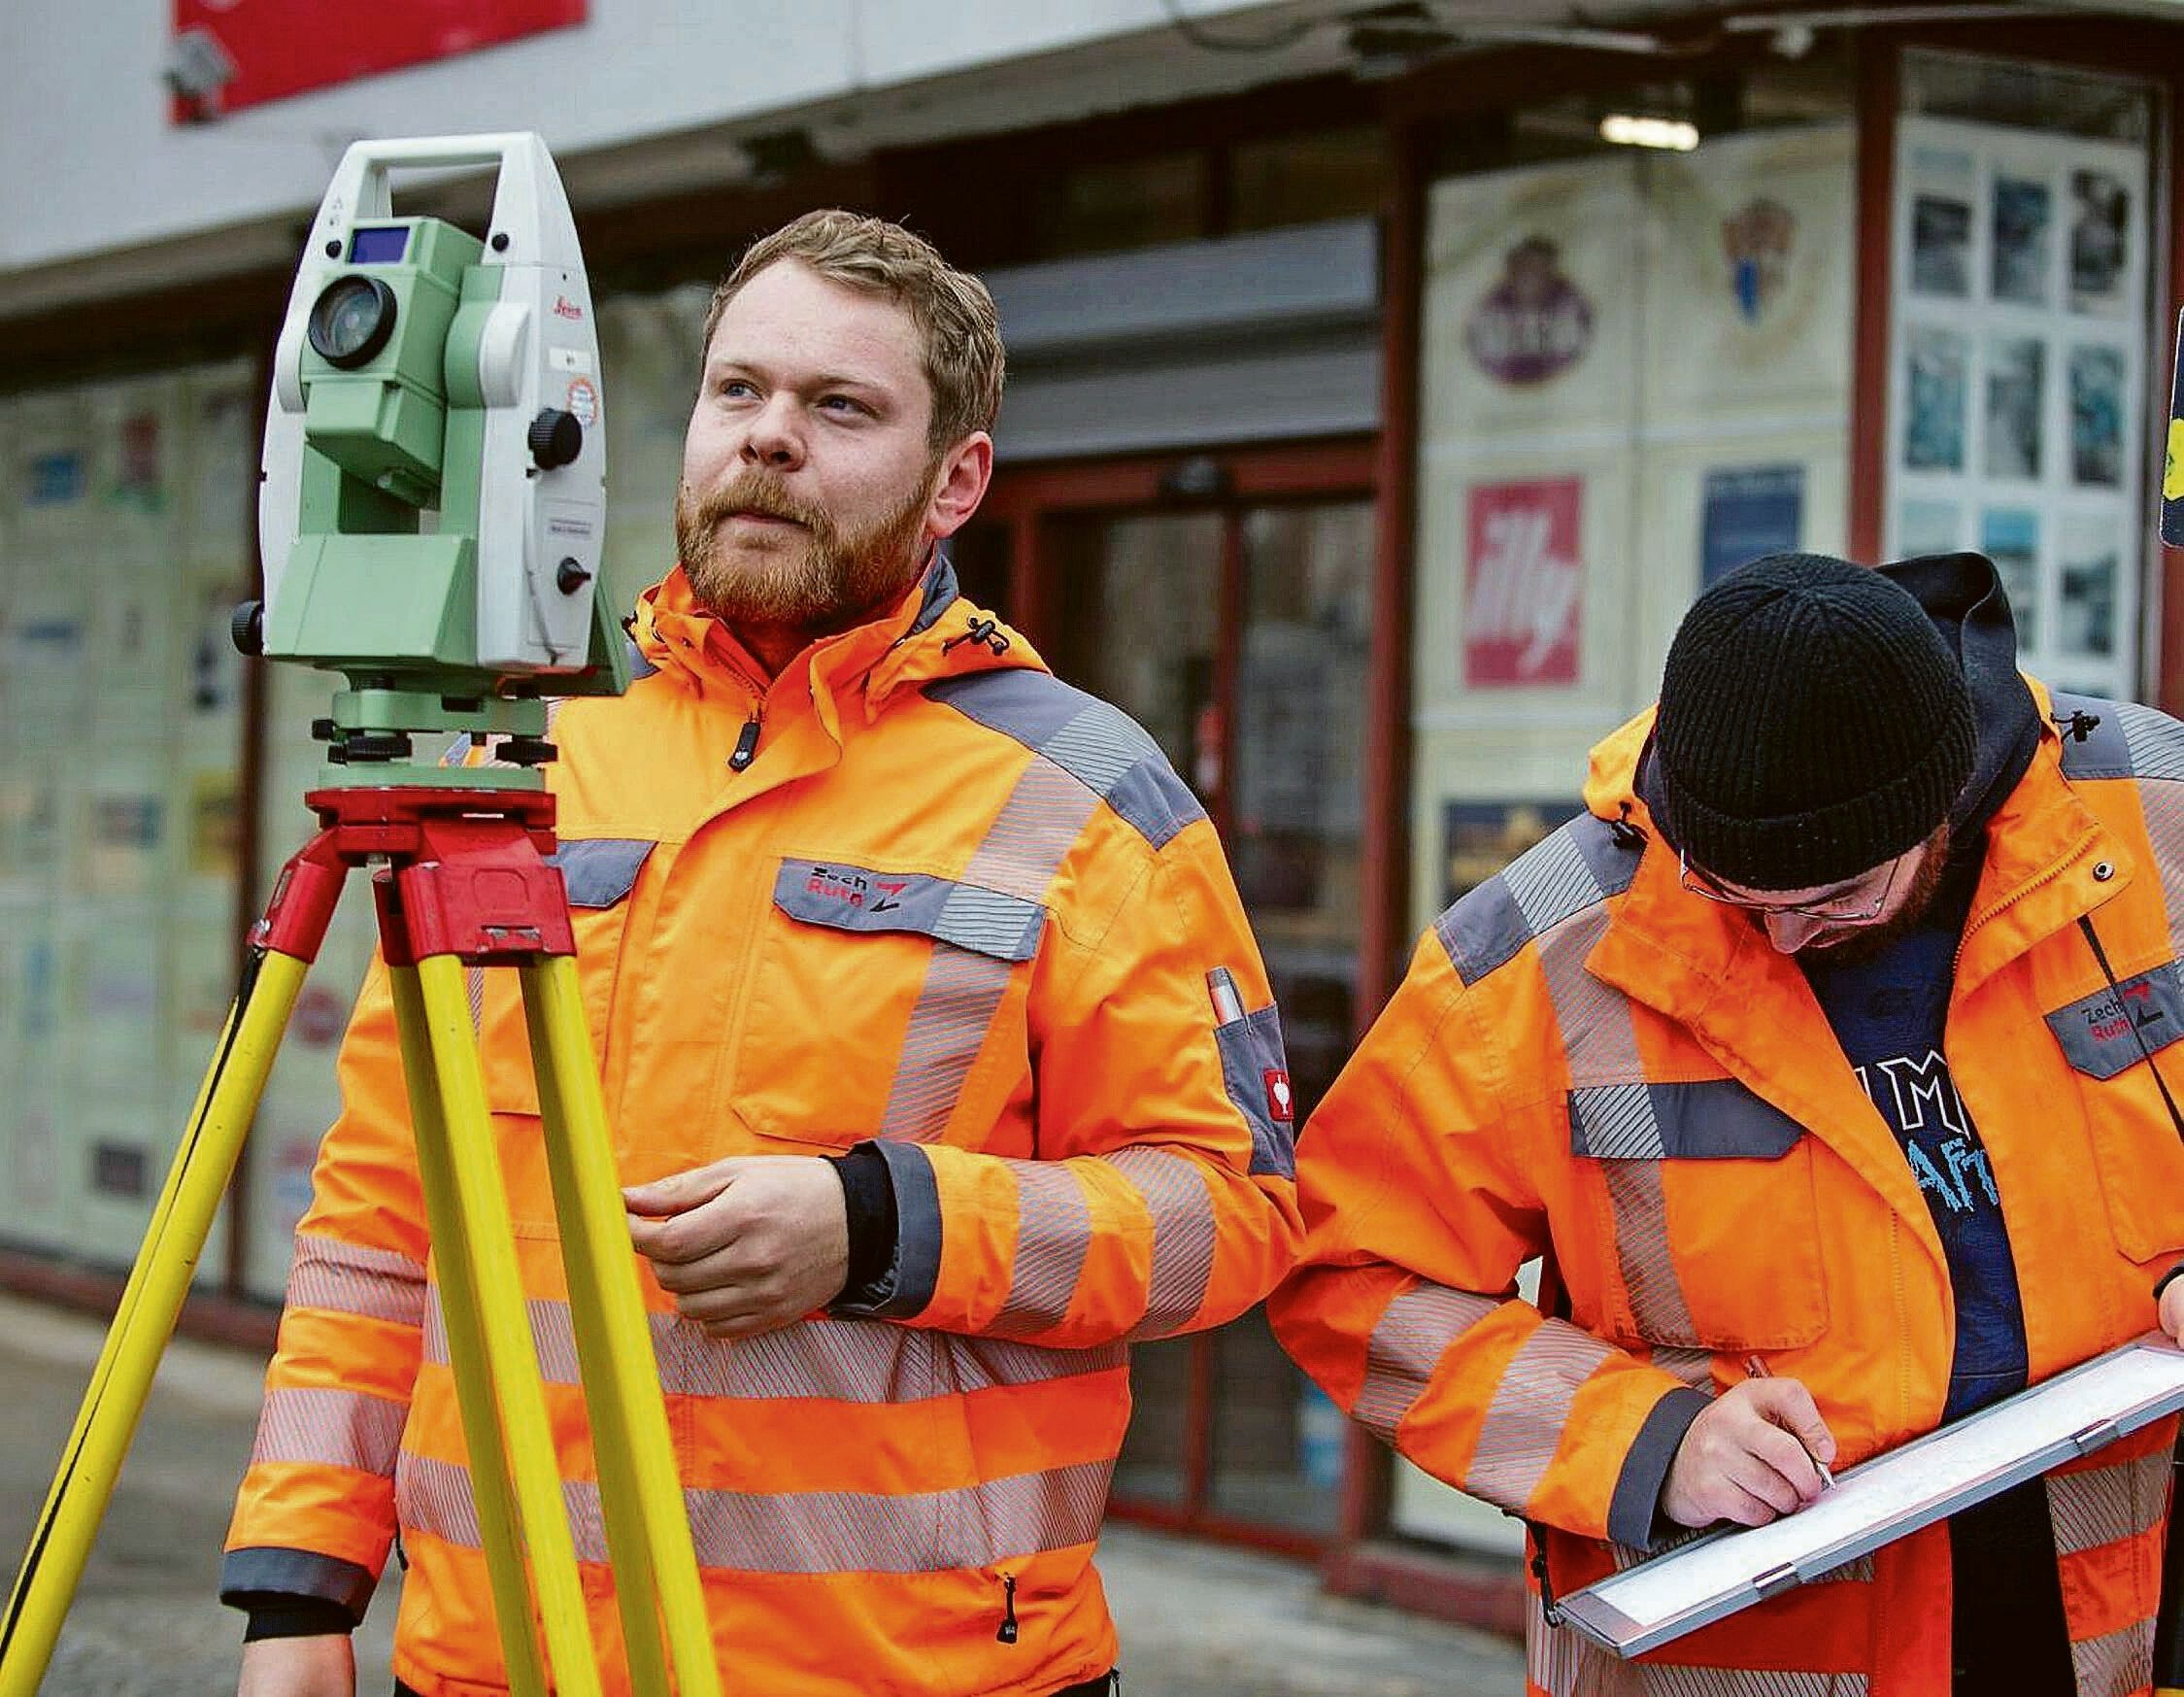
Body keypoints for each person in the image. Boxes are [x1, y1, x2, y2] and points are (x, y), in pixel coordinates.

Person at [223, 210, 1302, 1697]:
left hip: (907, 1669)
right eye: (739, 392)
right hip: (497, 1655)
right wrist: (299, 1589)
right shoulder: (534, 755)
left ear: (955, 481)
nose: (770, 440)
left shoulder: (1085, 797)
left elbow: (1229, 1213)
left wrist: (883, 1224)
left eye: (838, 406)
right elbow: (378, 1212)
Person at [1270, 551, 2184, 1695]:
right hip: (1746, 1661)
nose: (1786, 938)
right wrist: (1645, 1441)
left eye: (1837, 898)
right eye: (1737, 901)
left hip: (2119, 1630)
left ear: (1941, 799)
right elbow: (1345, 1266)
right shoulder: (1541, 953)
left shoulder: (2156, 822)